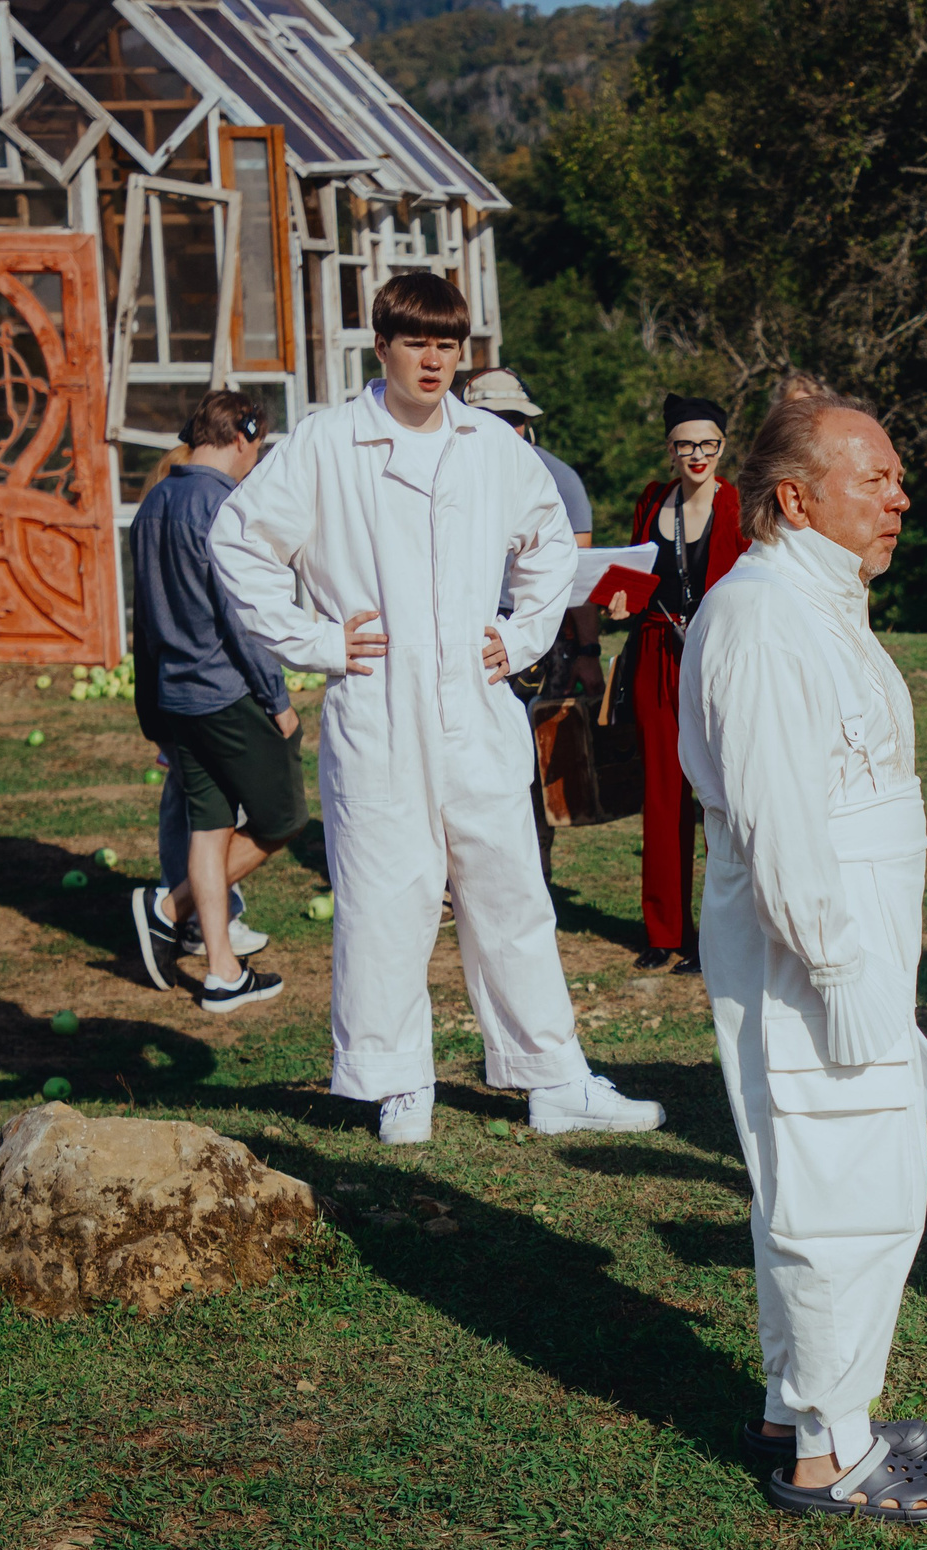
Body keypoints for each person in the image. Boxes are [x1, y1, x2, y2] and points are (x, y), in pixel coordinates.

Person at [210, 273, 664, 1146]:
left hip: (476, 698)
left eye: (448, 345)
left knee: (511, 889)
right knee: (387, 896)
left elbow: (543, 550)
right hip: (376, 704)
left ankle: (554, 1077)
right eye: (416, 342)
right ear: (381, 345)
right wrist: (318, 642)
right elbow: (239, 543)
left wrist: (521, 636)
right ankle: (395, 1083)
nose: (433, 360)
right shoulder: (328, 443)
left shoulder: (492, 444)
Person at [680, 393, 927, 1520]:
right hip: (812, 956)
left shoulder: (818, 603)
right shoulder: (759, 617)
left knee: (838, 1178)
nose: (901, 496)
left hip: (847, 947)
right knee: (845, 1191)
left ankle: (802, 1404)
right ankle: (829, 1452)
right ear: (795, 498)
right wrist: (847, 977)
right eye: (876, 478)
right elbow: (779, 829)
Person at [128, 390, 296, 1013]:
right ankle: (168, 907)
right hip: (226, 694)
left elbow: (142, 619)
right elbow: (240, 617)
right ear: (244, 437)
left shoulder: (154, 503)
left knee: (211, 824)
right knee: (283, 821)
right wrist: (277, 698)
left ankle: (223, 972)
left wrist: (151, 714)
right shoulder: (221, 506)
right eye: (259, 445)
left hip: (174, 696)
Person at [465, 365, 604, 881]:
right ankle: (461, 881)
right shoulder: (439, 476)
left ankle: (532, 878)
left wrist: (588, 655)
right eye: (491, 418)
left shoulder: (558, 479)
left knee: (529, 765)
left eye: (514, 418)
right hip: (456, 637)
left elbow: (578, 580)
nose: (506, 429)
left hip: (534, 643)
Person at [627, 395, 748, 972]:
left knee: (718, 795)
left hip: (718, 659)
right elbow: (632, 576)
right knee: (662, 792)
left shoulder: (739, 506)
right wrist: (620, 599)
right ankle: (664, 930)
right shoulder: (651, 501)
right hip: (658, 655)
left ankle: (720, 931)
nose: (696, 455)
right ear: (669, 448)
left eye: (708, 444)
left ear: (722, 447)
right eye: (685, 444)